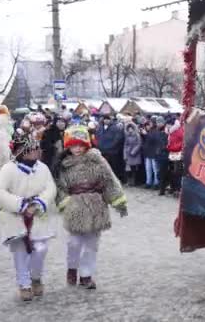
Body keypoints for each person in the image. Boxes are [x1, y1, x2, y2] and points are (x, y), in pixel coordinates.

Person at [55, 125, 128, 289]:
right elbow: (59, 186)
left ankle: (86, 274)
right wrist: (65, 202)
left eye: (81, 145)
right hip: (75, 205)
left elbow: (110, 180)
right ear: (68, 146)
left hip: (96, 206)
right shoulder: (63, 165)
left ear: (87, 144)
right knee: (74, 242)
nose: (78, 148)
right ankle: (72, 267)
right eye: (74, 145)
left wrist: (118, 201)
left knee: (92, 244)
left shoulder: (97, 160)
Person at [0, 135, 57, 301]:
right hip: (15, 217)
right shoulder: (9, 169)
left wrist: (38, 203)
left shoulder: (43, 168)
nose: (35, 152)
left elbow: (50, 188)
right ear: (19, 152)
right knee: (20, 251)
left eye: (36, 149)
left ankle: (36, 277)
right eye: (30, 150)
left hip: (38, 214)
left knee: (41, 248)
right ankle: (24, 284)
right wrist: (20, 205)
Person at [95, 114, 126, 183]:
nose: (106, 121)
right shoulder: (100, 127)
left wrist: (110, 146)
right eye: (105, 119)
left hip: (113, 151)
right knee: (104, 166)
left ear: (110, 120)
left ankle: (115, 180)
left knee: (114, 167)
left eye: (107, 119)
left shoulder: (115, 128)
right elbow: (97, 137)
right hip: (102, 151)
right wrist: (99, 146)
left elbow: (118, 139)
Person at [141, 119, 166, 189]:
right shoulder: (149, 131)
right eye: (147, 125)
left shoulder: (156, 131)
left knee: (155, 169)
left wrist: (146, 134)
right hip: (148, 153)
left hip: (154, 153)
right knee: (148, 169)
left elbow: (154, 139)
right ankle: (148, 182)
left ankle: (156, 183)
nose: (147, 126)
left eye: (149, 124)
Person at [165, 119, 184, 197]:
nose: (167, 126)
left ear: (172, 124)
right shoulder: (170, 132)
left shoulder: (179, 131)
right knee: (171, 171)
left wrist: (181, 150)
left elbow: (183, 141)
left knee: (177, 172)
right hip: (171, 153)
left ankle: (178, 189)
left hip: (178, 153)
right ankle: (172, 187)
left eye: (168, 124)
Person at [123, 122, 142, 187]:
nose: (130, 130)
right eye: (129, 129)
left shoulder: (137, 135)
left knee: (134, 168)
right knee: (128, 169)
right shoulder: (127, 136)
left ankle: (134, 182)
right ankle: (129, 181)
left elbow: (139, 144)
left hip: (134, 154)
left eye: (131, 129)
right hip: (128, 153)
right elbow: (125, 145)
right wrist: (125, 154)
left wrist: (133, 151)